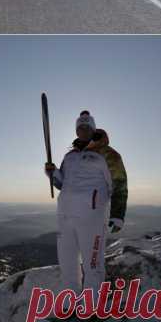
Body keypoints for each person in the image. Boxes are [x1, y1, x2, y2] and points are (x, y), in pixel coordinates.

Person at [45, 109, 128, 295]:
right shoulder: (70, 156)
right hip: (65, 216)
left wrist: (117, 215)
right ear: (76, 130)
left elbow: (120, 184)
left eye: (86, 126)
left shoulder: (108, 154)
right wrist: (53, 172)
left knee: (92, 264)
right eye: (80, 127)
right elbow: (62, 183)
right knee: (68, 263)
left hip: (92, 218)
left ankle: (91, 305)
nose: (83, 130)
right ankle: (69, 299)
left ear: (93, 128)